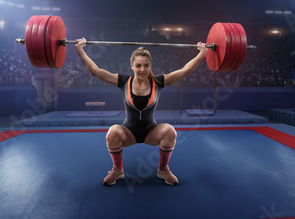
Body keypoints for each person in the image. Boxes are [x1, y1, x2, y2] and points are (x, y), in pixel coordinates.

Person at [75, 38, 208, 186]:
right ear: (131, 65)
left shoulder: (158, 82)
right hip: (129, 132)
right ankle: (118, 170)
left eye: (146, 65)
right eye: (138, 65)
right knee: (112, 133)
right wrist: (80, 49)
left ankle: (163, 169)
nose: (142, 69)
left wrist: (202, 53)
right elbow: (96, 72)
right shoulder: (124, 81)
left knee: (170, 131)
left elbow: (185, 71)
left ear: (151, 66)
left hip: (151, 132)